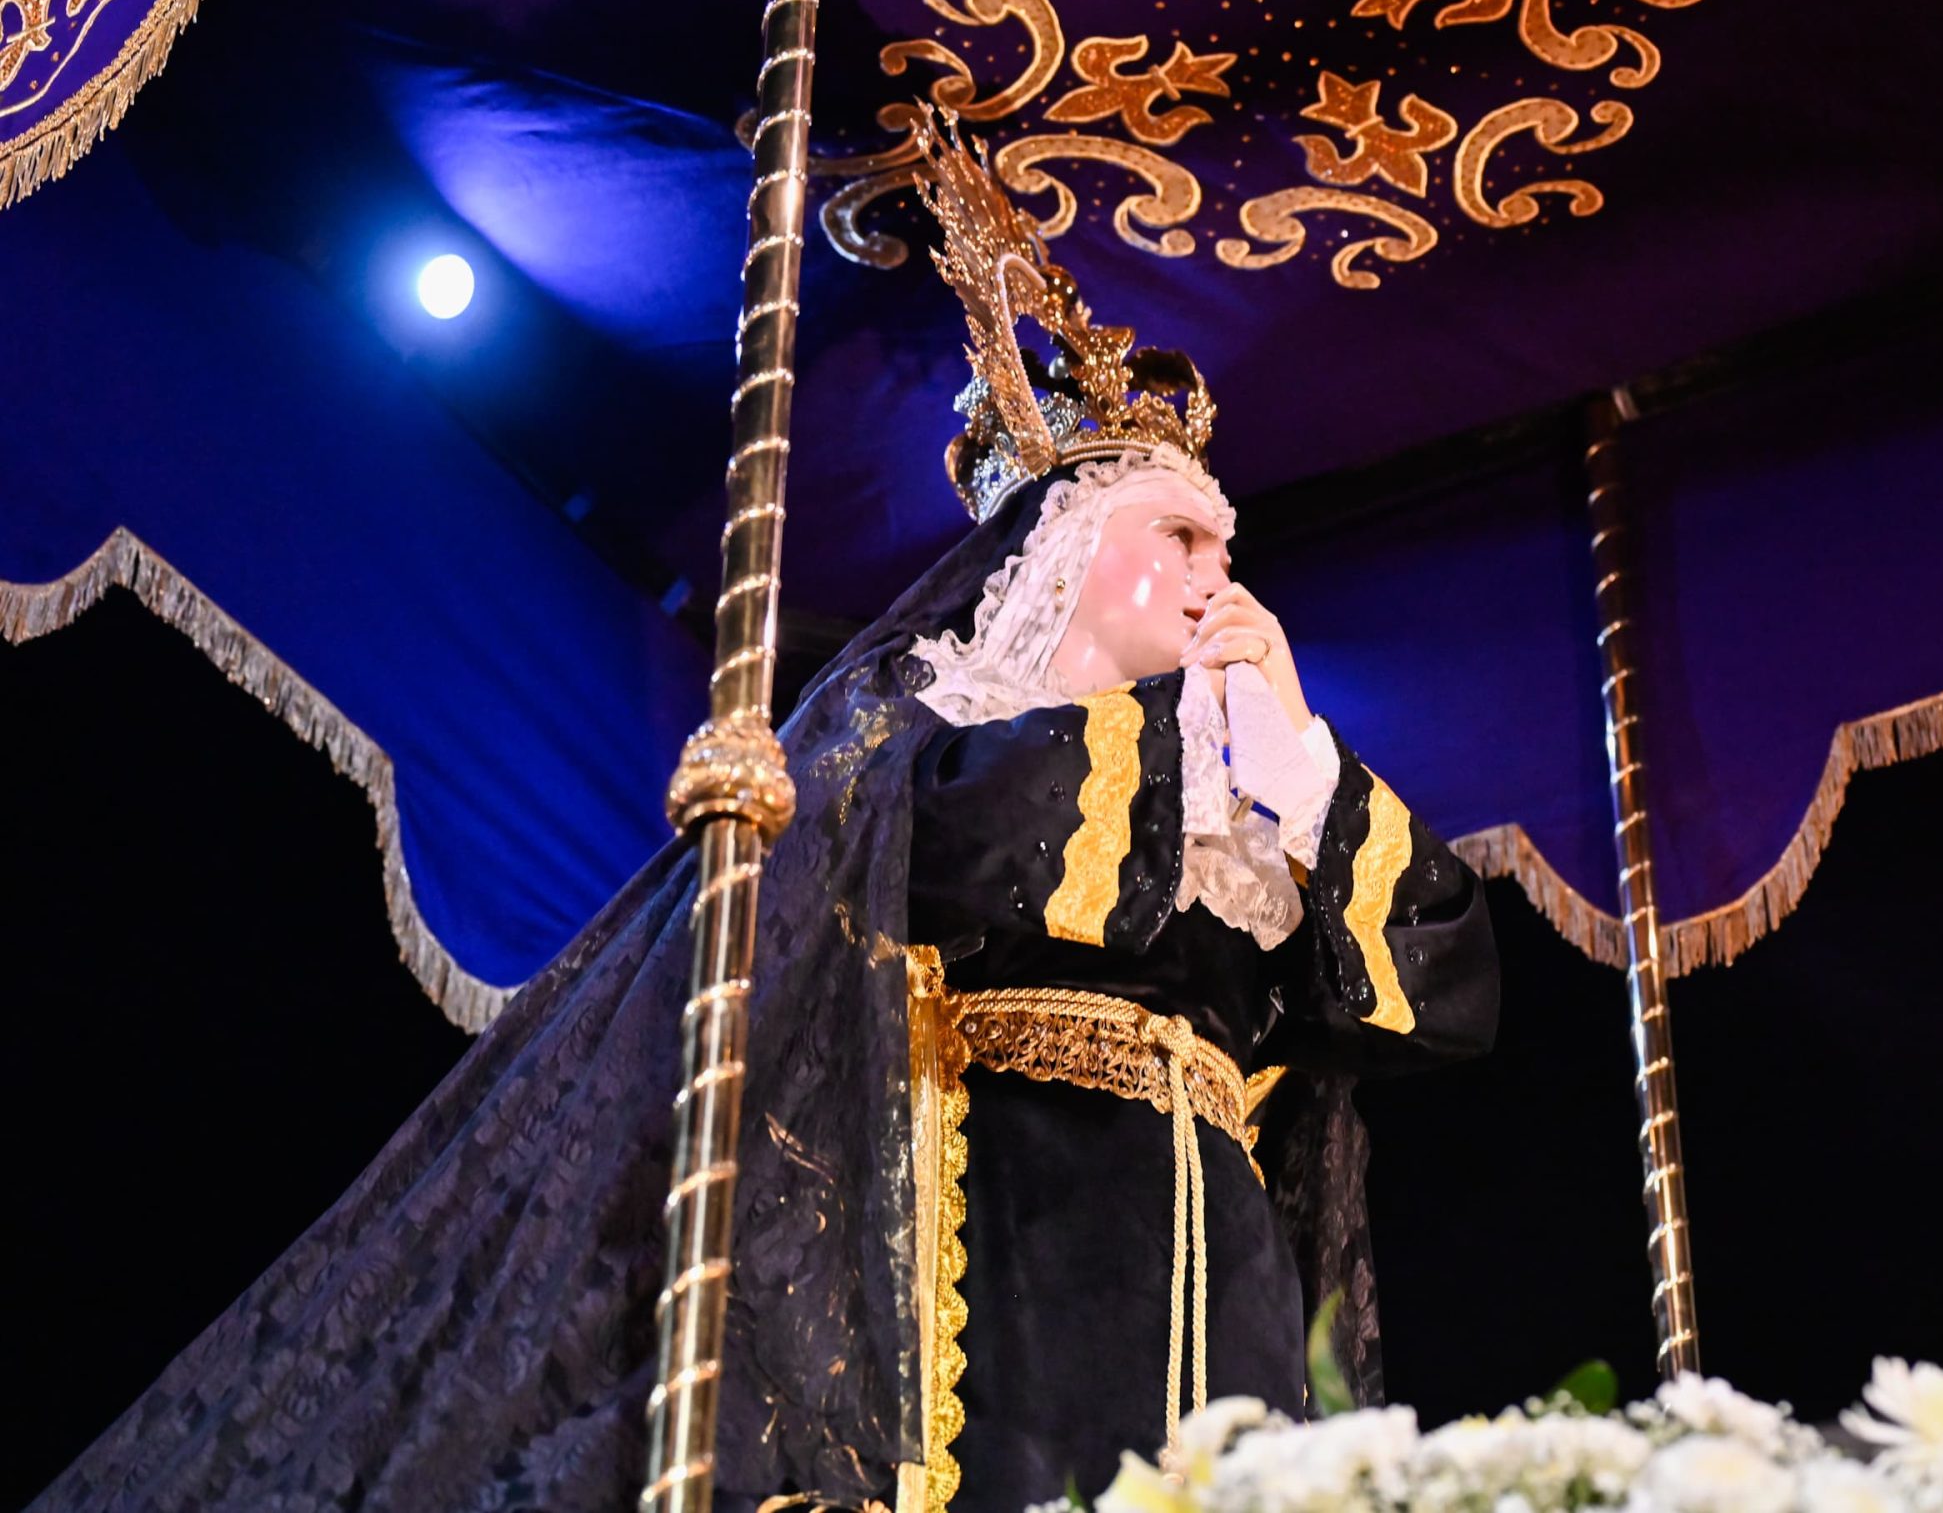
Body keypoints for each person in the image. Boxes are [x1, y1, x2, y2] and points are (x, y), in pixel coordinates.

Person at [32, 122, 1499, 1513]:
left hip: (1222, 1276)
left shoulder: (1255, 798)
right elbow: (977, 858)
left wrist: (1296, 760)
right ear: (1057, 551)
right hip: (1000, 1240)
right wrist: (1174, 738)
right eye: (1178, 533)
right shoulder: (924, 718)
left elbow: (1438, 1005)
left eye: (1226, 547)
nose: (1215, 574)